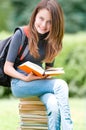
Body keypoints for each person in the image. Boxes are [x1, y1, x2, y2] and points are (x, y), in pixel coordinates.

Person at [4, 0, 73, 130]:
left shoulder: (50, 41)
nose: (43, 25)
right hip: (20, 84)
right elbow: (7, 67)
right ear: (35, 15)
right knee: (61, 85)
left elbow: (48, 69)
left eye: (49, 22)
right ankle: (68, 127)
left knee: (53, 105)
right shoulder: (21, 34)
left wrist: (48, 74)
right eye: (41, 19)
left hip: (38, 83)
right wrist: (25, 78)